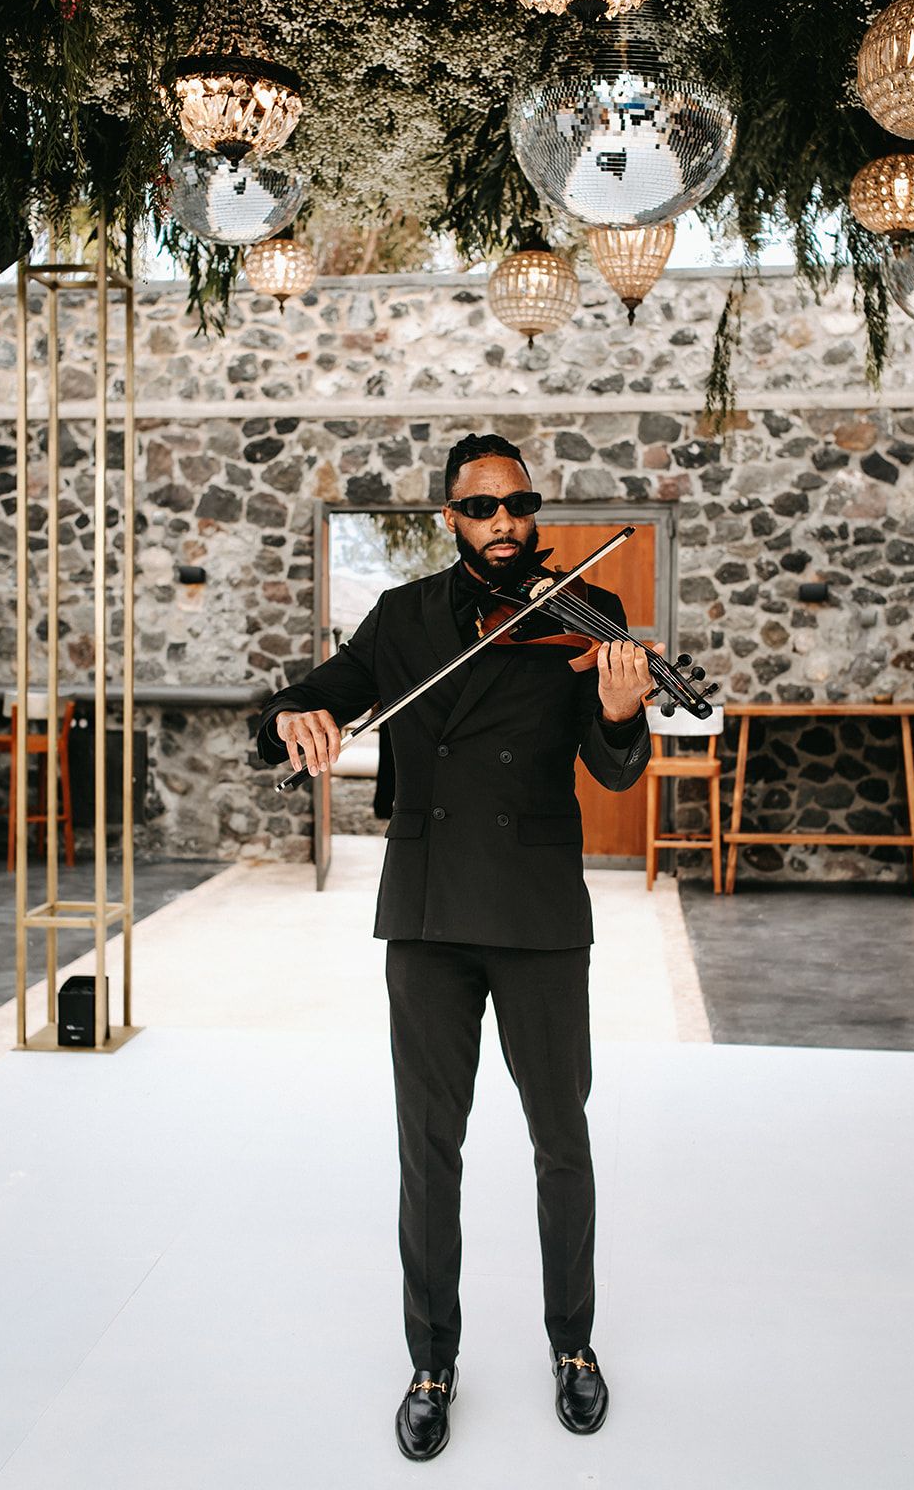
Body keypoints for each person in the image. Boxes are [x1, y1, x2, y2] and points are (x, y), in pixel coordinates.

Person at [256, 432, 655, 1461]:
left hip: (536, 916)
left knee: (561, 1141)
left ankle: (573, 1347)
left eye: (521, 504)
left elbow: (614, 771)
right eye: (484, 508)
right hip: (427, 915)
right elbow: (303, 702)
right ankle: (431, 1363)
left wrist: (618, 713)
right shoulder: (401, 620)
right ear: (452, 519)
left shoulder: (588, 617)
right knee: (428, 1151)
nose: (508, 524)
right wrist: (291, 719)